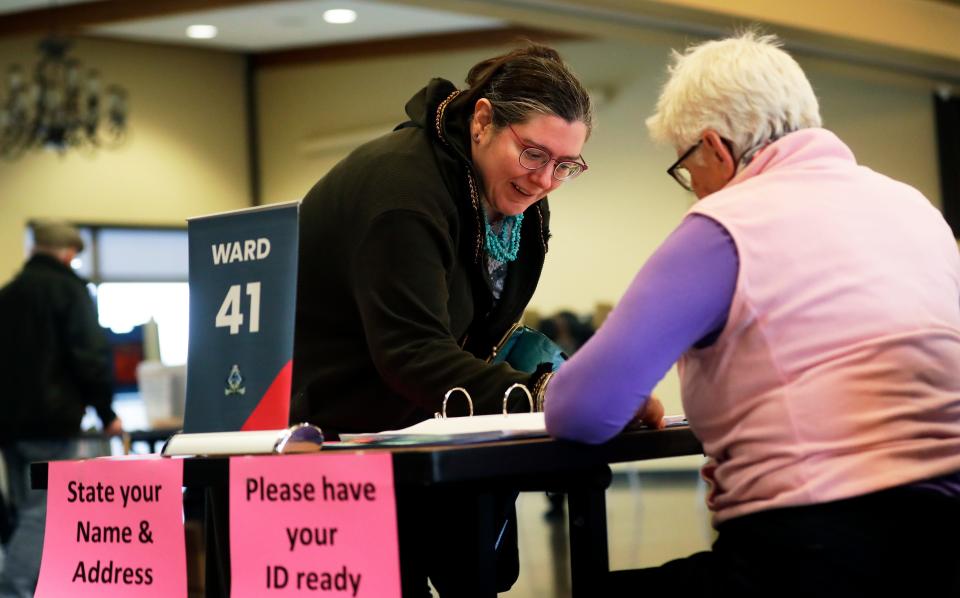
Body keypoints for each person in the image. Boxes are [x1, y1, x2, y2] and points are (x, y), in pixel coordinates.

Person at [543, 31, 960, 596]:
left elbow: (582, 411)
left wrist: (620, 394)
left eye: (686, 168)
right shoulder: (915, 208)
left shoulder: (725, 225)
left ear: (715, 148)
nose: (693, 190)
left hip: (817, 551)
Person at [290, 45, 592, 596]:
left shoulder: (511, 196)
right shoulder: (402, 192)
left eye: (564, 166)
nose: (545, 180)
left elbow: (478, 332)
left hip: (425, 433)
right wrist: (546, 393)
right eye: (532, 154)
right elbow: (411, 352)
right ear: (481, 120)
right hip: (335, 446)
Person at [0, 220, 123, 598]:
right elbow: (89, 356)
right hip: (51, 422)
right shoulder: (70, 291)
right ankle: (15, 589)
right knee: (43, 511)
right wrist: (106, 412)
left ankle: (36, 587)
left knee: (23, 509)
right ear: (69, 254)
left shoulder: (8, 293)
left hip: (8, 423)